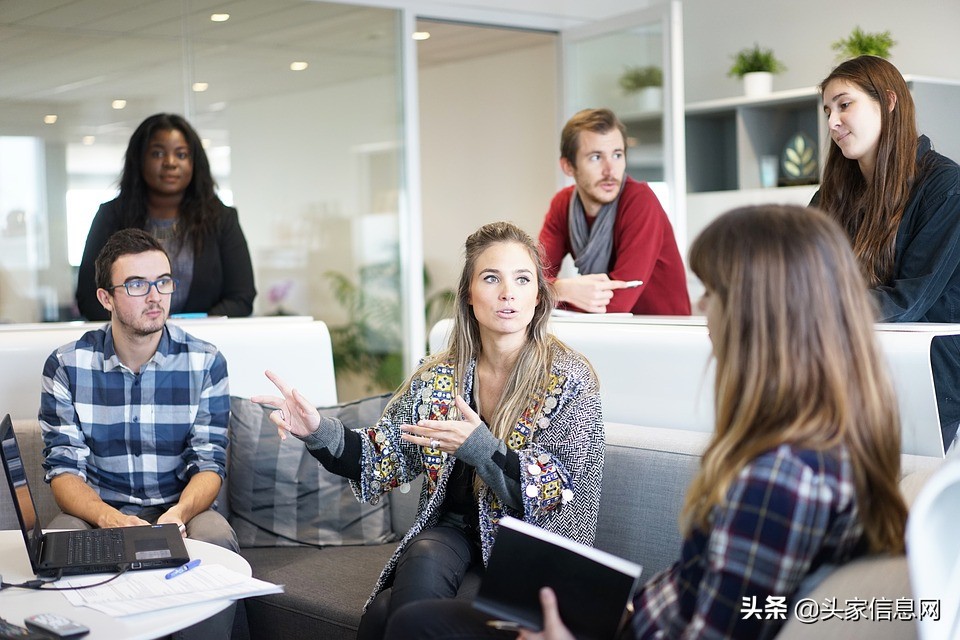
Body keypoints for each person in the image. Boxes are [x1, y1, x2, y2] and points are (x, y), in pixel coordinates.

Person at [385, 205, 908, 640]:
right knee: (411, 617)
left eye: (714, 292)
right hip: (633, 619)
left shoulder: (780, 477)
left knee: (417, 626)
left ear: (759, 313)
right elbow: (718, 596)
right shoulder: (818, 443)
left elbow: (723, 626)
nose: (702, 308)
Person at [252, 221, 605, 639]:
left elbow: (560, 495)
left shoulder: (569, 379)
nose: (508, 292)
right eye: (491, 278)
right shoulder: (439, 376)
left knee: (386, 613)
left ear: (538, 297)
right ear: (469, 295)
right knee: (421, 556)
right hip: (453, 533)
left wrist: (479, 447)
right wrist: (315, 430)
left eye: (522, 279)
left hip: (530, 549)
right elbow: (379, 456)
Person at [41, 229, 238, 554]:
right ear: (106, 298)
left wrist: (178, 514)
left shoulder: (206, 362)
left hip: (181, 510)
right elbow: (63, 469)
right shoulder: (67, 365)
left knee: (216, 537)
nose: (155, 296)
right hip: (98, 512)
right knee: (58, 540)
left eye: (163, 282)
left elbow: (209, 463)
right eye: (136, 284)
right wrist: (109, 518)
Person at [812, 55, 960, 452]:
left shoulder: (946, 187)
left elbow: (907, 300)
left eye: (845, 104)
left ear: (889, 102)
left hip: (928, 385)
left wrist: (808, 310)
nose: (832, 122)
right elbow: (800, 276)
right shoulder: (830, 197)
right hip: (848, 374)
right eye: (828, 110)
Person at [76, 113, 256, 321]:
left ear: (194, 163)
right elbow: (89, 298)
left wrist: (187, 330)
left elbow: (241, 298)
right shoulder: (111, 217)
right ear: (139, 159)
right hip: (130, 347)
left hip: (203, 344)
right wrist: (142, 328)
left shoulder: (222, 219)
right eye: (157, 154)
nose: (170, 163)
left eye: (181, 155)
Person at [537, 108, 690, 315]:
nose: (610, 170)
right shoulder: (562, 204)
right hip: (607, 333)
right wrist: (562, 289)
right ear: (568, 166)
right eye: (595, 157)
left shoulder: (640, 201)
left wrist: (551, 293)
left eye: (617, 155)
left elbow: (617, 304)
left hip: (662, 335)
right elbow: (531, 280)